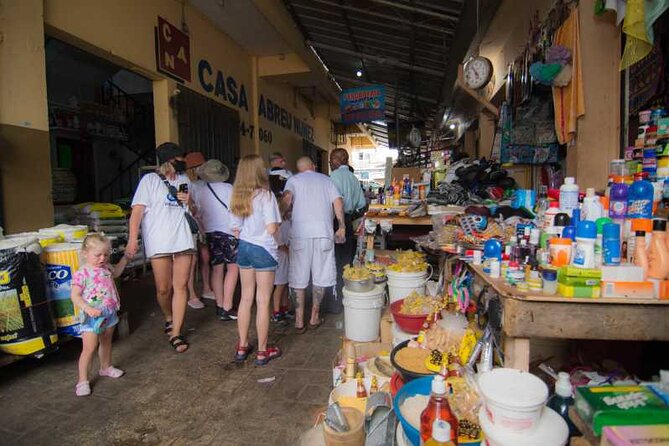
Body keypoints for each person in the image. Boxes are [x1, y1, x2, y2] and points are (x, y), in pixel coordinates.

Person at [127, 142, 195, 353]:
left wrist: (190, 202)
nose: (184, 161)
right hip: (159, 241)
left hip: (182, 238)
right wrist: (132, 239)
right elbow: (137, 212)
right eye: (181, 158)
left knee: (181, 286)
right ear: (170, 159)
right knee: (163, 289)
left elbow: (193, 211)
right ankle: (168, 316)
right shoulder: (149, 180)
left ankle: (176, 332)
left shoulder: (185, 180)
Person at [282, 156, 346, 334]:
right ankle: (314, 317)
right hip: (323, 233)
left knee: (298, 277)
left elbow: (286, 199)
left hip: (300, 235)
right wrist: (341, 226)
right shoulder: (326, 180)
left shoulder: (293, 180)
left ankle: (299, 321)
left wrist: (281, 217)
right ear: (313, 166)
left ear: (299, 168)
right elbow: (338, 202)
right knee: (322, 275)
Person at [230, 154, 282, 366]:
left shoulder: (237, 195)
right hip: (263, 249)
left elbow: (235, 230)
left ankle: (242, 346)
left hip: (244, 248)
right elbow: (271, 228)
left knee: (245, 298)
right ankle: (262, 351)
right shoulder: (266, 196)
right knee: (262, 301)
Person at [71, 233, 129, 396]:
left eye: (106, 254)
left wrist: (126, 258)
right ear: (85, 253)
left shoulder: (106, 268)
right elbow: (74, 296)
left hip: (108, 313)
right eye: (98, 255)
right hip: (91, 317)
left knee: (106, 342)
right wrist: (87, 308)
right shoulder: (82, 273)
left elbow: (116, 273)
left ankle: (106, 367)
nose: (102, 258)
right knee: (89, 348)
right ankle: (82, 380)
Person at [191, 159, 239, 322]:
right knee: (233, 269)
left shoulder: (200, 190)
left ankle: (219, 306)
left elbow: (197, 213)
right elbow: (235, 210)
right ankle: (227, 306)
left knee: (217, 269)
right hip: (229, 232)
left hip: (210, 233)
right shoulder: (228, 188)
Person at [329, 148, 367, 313]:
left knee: (334, 262)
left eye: (331, 159)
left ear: (338, 160)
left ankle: (335, 303)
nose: (330, 162)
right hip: (349, 222)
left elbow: (332, 203)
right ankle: (348, 299)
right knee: (346, 262)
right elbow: (361, 204)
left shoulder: (332, 177)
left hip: (336, 222)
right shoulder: (353, 178)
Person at [184, 151, 210, 310]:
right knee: (192, 261)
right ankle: (192, 294)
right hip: (191, 225)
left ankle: (207, 288)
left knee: (206, 257)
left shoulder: (204, 184)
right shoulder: (185, 183)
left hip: (203, 224)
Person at [271, 204, 291, 324]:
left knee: (285, 284)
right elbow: (279, 244)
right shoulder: (277, 224)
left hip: (285, 256)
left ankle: (284, 308)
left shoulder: (287, 221)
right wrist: (290, 252)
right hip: (280, 256)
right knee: (279, 285)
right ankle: (276, 312)